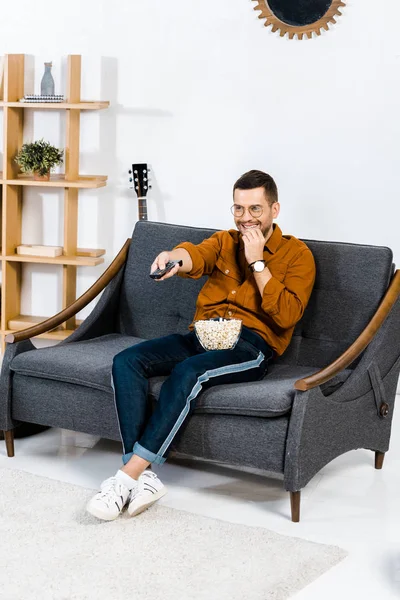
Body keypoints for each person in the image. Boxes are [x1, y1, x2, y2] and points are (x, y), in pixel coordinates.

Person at [86, 169, 316, 521]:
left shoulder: (297, 256)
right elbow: (196, 255)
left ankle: (127, 476)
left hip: (251, 345)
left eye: (255, 209)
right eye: (238, 209)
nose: (245, 218)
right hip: (202, 335)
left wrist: (258, 262)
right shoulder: (224, 241)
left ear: (274, 210)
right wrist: (173, 258)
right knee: (126, 361)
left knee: (189, 371)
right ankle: (145, 477)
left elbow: (286, 315)